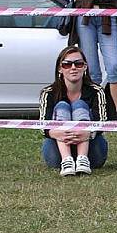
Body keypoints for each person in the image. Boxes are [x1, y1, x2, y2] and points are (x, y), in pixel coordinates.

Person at [39, 46, 108, 176]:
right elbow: (43, 126)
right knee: (62, 106)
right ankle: (67, 160)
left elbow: (103, 123)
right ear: (60, 68)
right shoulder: (48, 93)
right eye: (67, 64)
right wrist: (58, 133)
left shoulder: (97, 91)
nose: (73, 68)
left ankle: (82, 159)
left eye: (78, 63)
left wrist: (88, 133)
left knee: (80, 105)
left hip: (92, 150)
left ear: (85, 67)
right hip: (57, 151)